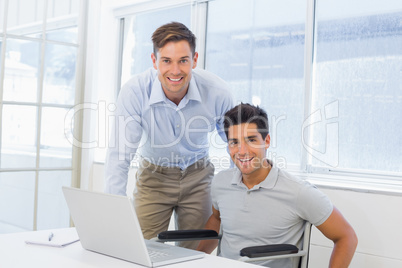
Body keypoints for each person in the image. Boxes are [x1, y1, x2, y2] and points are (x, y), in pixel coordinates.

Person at [104, 22, 233, 249]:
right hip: (154, 177)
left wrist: (235, 194)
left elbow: (235, 144)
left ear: (194, 60)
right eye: (166, 61)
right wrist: (114, 213)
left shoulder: (217, 91)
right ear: (154, 61)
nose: (175, 71)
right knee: (141, 250)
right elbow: (119, 155)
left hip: (198, 176)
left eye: (183, 60)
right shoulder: (135, 91)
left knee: (195, 253)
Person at [197, 103, 358, 267]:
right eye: (234, 142)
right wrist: (196, 260)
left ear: (266, 141)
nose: (242, 151)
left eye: (251, 140)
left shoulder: (298, 191)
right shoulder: (220, 182)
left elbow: (346, 237)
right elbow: (216, 219)